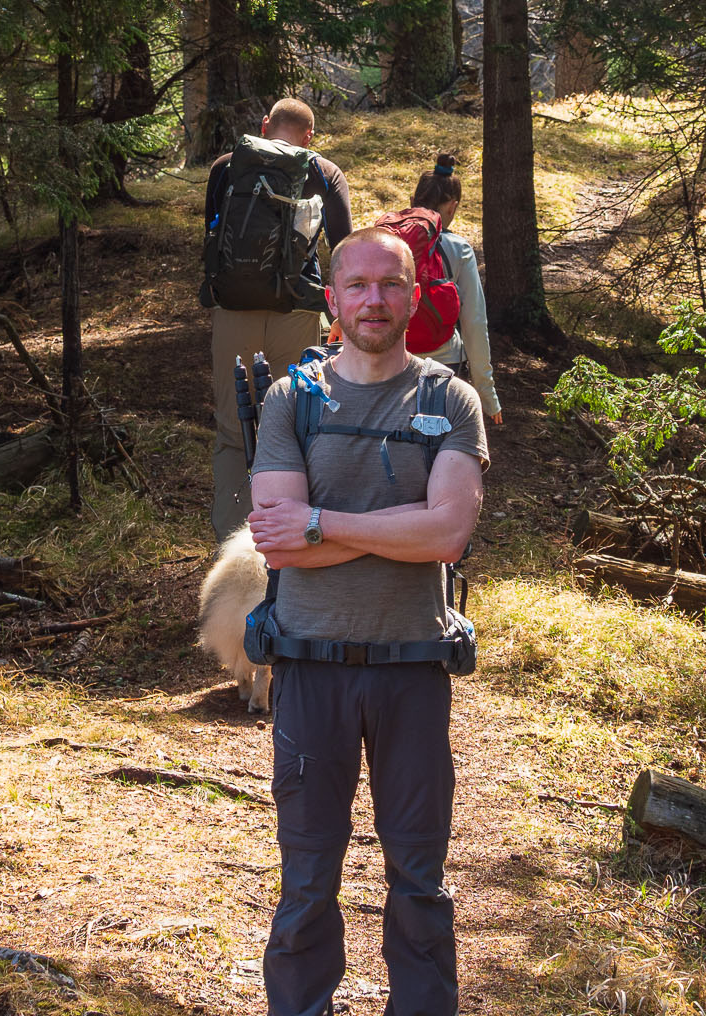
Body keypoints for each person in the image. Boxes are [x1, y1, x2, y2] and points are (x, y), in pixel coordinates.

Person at [247, 226, 489, 1016]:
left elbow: (447, 535)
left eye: (390, 285)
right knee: (307, 881)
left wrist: (325, 525)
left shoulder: (449, 399)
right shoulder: (292, 399)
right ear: (333, 300)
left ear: (415, 297)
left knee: (419, 879)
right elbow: (277, 540)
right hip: (309, 668)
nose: (374, 300)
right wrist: (395, 527)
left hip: (413, 671)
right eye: (357, 285)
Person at [202, 97, 352, 539]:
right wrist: (339, 314)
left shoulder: (226, 166)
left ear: (265, 126)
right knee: (297, 422)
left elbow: (213, 238)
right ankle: (292, 536)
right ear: (309, 137)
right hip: (298, 311)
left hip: (233, 312)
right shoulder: (324, 172)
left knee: (233, 430)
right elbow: (343, 248)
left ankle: (232, 540)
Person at [409, 154, 501, 425]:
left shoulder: (387, 241)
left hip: (391, 359)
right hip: (443, 362)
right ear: (452, 206)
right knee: (435, 439)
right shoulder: (459, 249)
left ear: (413, 202)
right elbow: (474, 322)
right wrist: (487, 393)